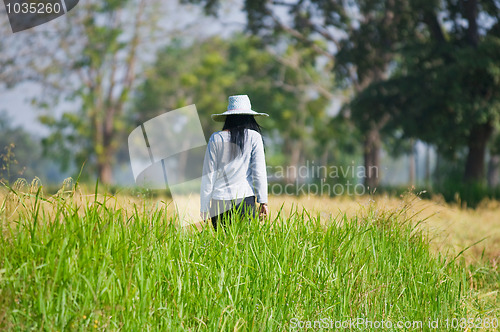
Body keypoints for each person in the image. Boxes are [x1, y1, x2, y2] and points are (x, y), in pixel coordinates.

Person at [200, 95, 269, 230]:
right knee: (244, 245)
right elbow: (259, 172)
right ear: (250, 117)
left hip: (219, 202)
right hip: (245, 201)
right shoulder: (254, 137)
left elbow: (208, 175)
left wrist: (204, 206)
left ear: (228, 118)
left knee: (222, 245)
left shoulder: (216, 138)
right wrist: (263, 201)